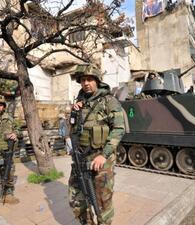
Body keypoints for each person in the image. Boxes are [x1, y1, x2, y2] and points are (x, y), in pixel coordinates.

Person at [68, 64, 125, 225]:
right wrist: (73, 113)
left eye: (90, 79)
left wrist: (103, 155)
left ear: (97, 81)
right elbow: (72, 130)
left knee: (101, 201)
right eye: (83, 80)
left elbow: (119, 129)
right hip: (80, 159)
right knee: (77, 198)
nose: (86, 83)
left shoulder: (109, 101)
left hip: (101, 160)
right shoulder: (79, 103)